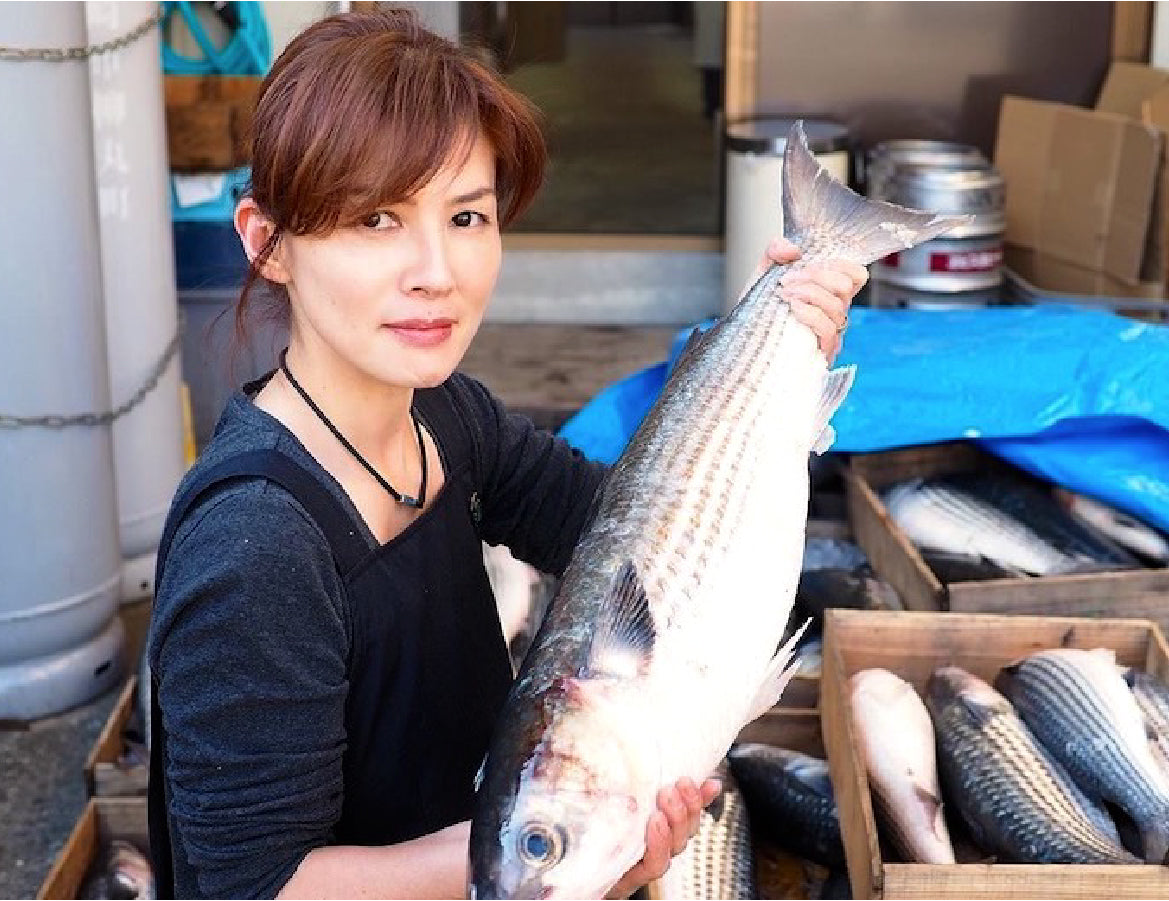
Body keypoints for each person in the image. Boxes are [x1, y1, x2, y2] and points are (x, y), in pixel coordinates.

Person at [146, 8, 867, 900]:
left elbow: (636, 536)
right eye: (376, 218)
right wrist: (556, 840)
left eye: (467, 215)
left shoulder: (449, 418)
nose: (435, 269)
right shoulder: (254, 547)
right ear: (267, 241)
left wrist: (775, 347)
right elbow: (254, 886)